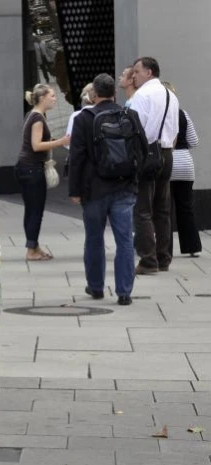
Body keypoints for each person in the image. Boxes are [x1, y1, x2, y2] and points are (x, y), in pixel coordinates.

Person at [68, 73, 142, 306]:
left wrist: (75, 189)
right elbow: (140, 150)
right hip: (124, 187)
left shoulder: (84, 118)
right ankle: (124, 291)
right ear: (114, 93)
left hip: (94, 189)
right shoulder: (129, 116)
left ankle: (96, 287)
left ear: (93, 94)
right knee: (125, 240)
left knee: (94, 238)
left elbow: (77, 157)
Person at [129, 56, 180, 274]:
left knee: (143, 209)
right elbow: (175, 129)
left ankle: (148, 260)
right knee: (162, 209)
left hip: (148, 152)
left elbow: (136, 128)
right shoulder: (171, 95)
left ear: (149, 72)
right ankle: (164, 257)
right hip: (167, 152)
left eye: (137, 71)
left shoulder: (143, 94)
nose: (134, 75)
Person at [15, 83, 70, 261]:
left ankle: (34, 245)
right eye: (52, 95)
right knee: (35, 210)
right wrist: (61, 142)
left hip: (25, 166)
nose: (55, 99)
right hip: (32, 168)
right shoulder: (38, 118)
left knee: (31, 209)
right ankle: (31, 250)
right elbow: (36, 145)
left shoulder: (34, 115)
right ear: (42, 98)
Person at [163, 81, 201, 257]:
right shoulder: (183, 114)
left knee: (165, 208)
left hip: (167, 164)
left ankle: (166, 248)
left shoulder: (160, 115)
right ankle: (192, 246)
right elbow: (194, 141)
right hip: (185, 164)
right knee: (186, 207)